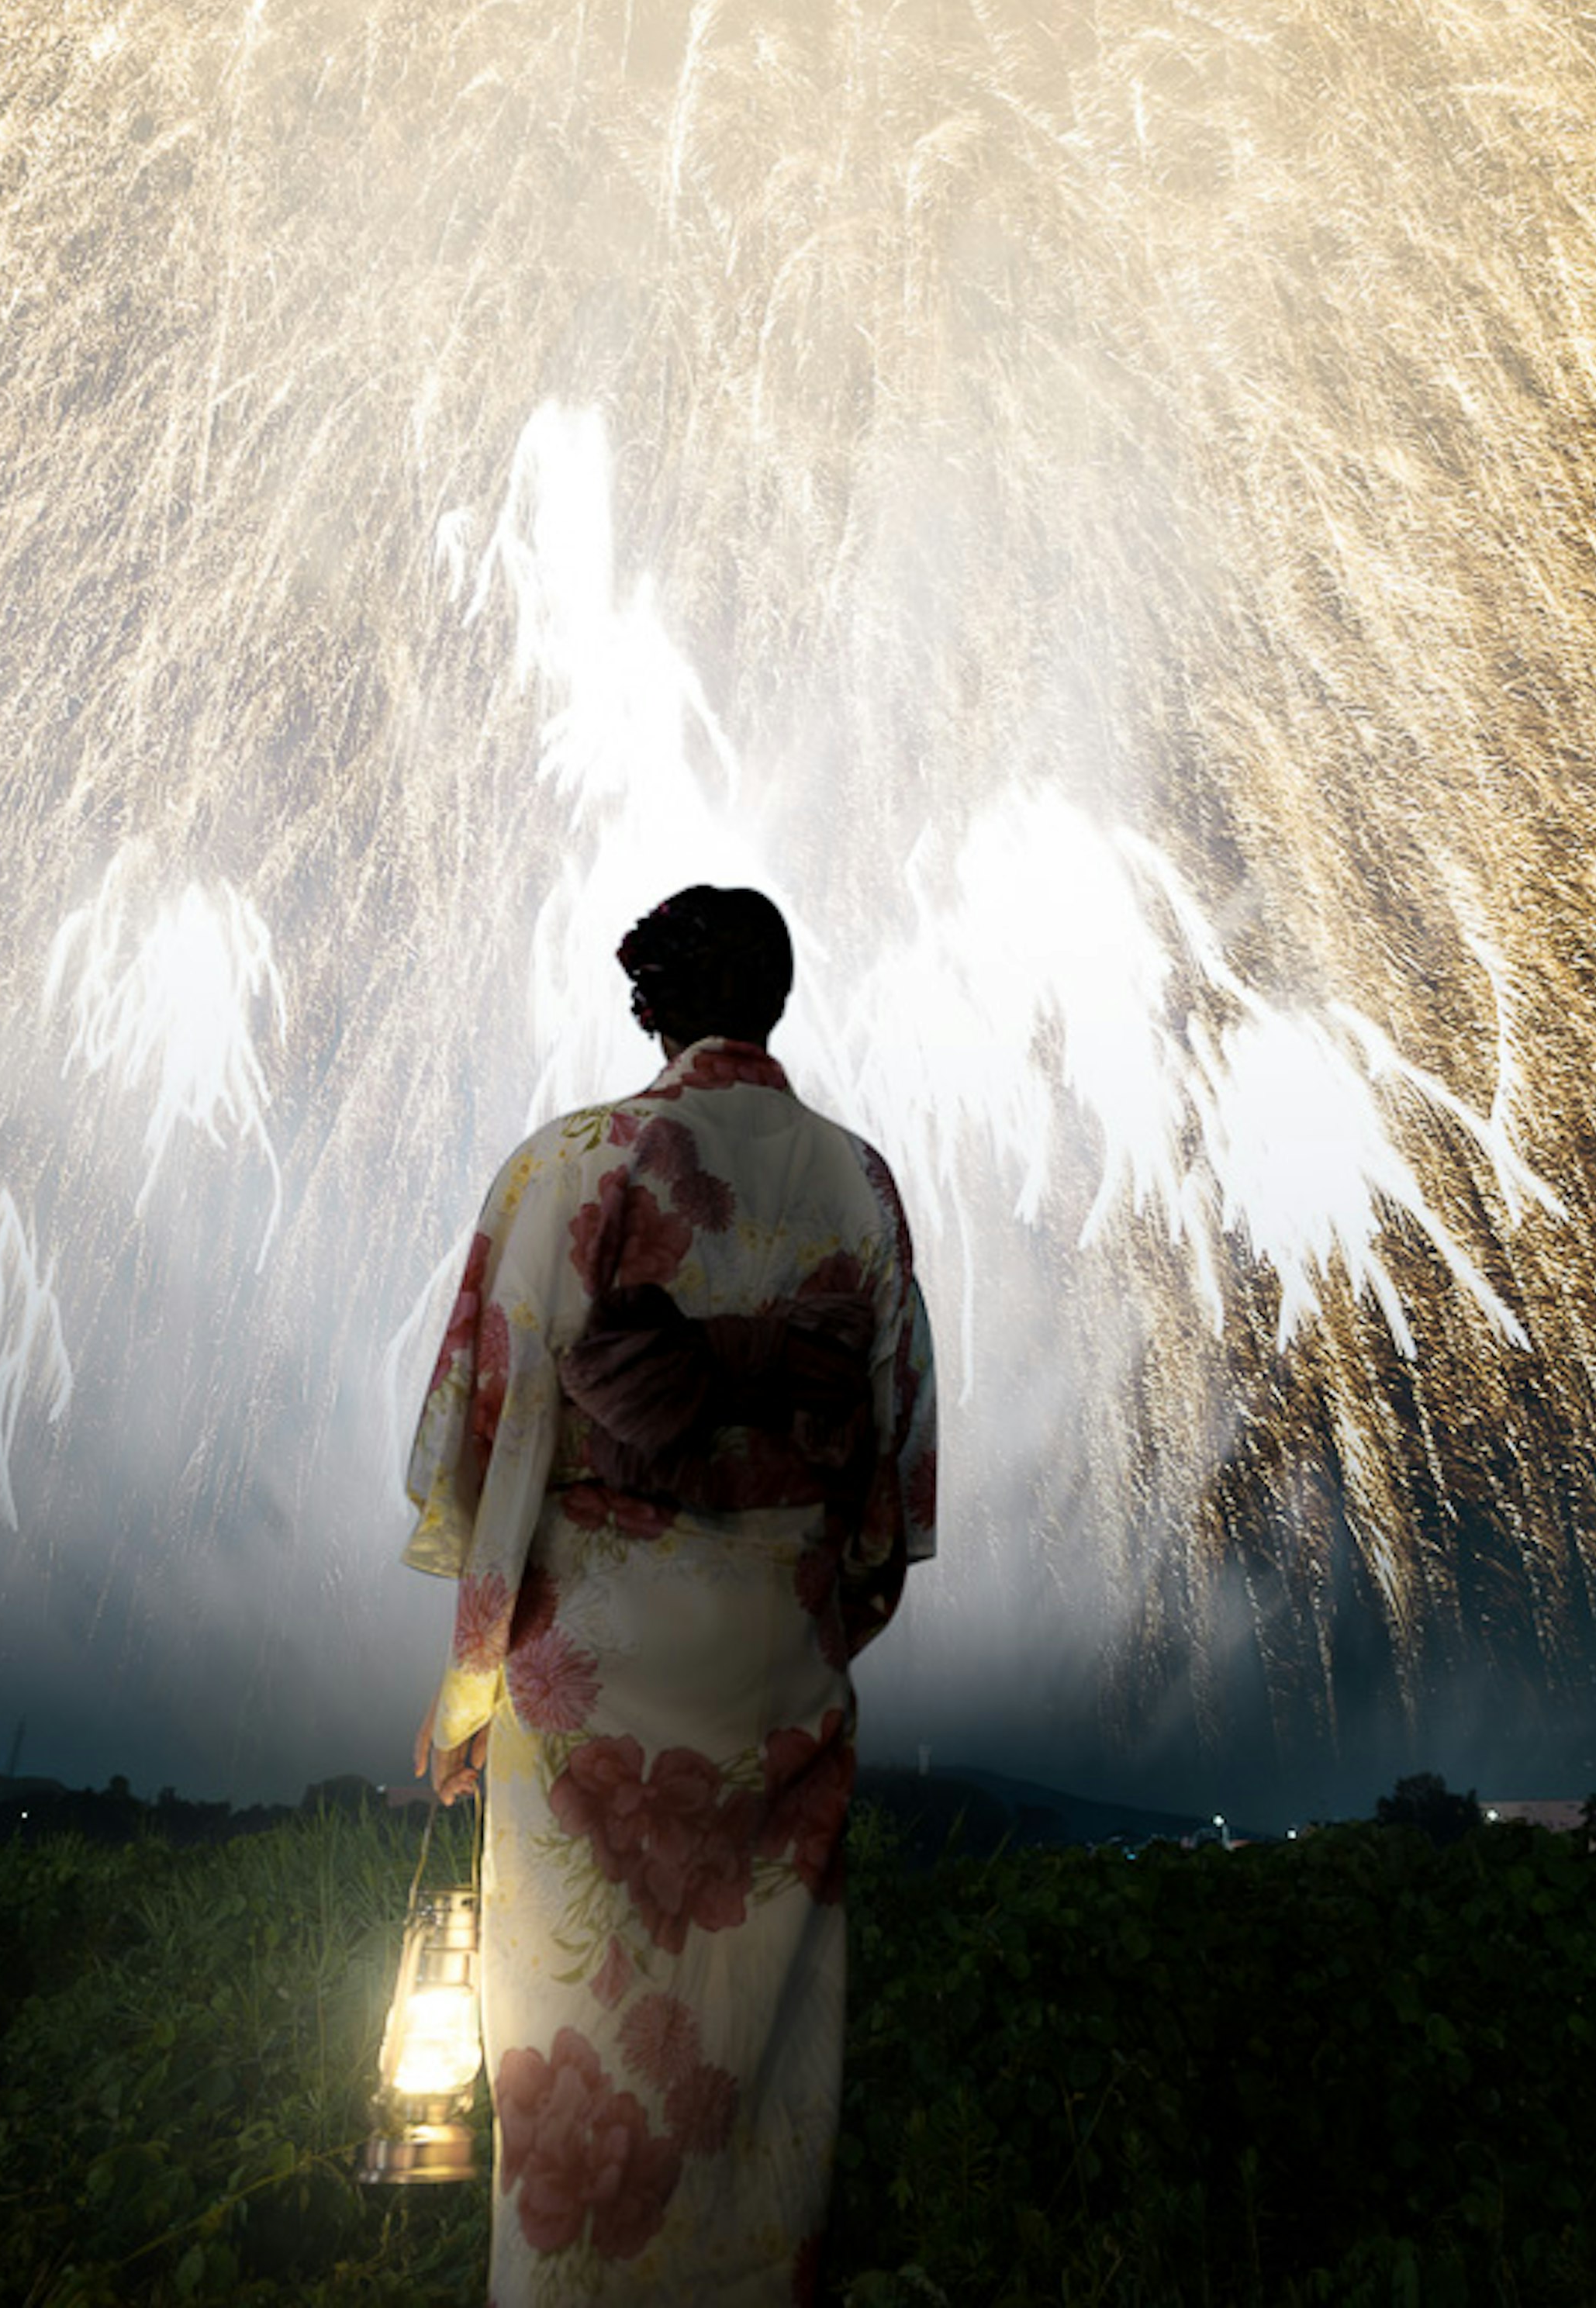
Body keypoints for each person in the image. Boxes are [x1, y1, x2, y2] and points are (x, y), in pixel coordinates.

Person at [402, 884, 936, 2306]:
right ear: (775, 998)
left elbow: (501, 1444)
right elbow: (888, 1495)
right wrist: (798, 1607)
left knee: (576, 2059)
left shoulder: (575, 1164)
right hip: (779, 1676)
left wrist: (469, 1683)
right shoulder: (861, 1184)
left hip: (596, 1682)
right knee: (759, 2066)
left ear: (652, 1003)